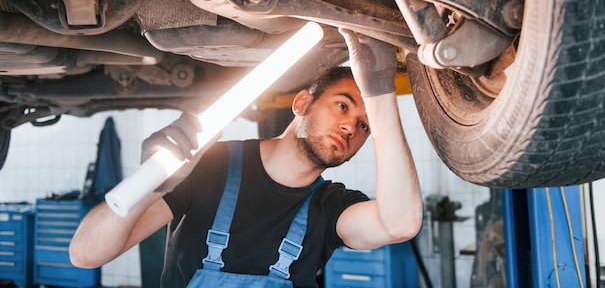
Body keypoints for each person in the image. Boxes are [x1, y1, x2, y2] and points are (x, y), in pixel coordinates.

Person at [69, 30, 423, 288]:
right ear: (301, 103)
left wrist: (381, 93)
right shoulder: (207, 165)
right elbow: (85, 255)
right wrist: (152, 182)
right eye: (343, 105)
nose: (350, 126)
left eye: (364, 124)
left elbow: (399, 224)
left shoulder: (331, 208)